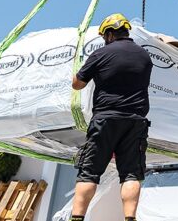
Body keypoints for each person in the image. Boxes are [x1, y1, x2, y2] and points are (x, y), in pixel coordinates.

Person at [70, 13, 153, 221]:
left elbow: (77, 84)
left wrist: (77, 66)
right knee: (131, 174)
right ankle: (130, 218)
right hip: (136, 121)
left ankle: (77, 218)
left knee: (89, 172)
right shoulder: (144, 56)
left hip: (105, 119)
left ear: (108, 33)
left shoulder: (101, 54)